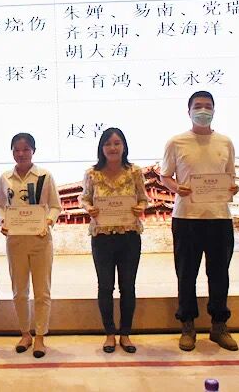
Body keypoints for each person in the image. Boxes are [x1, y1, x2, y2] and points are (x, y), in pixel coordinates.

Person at [159, 90, 239, 352]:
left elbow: (230, 177)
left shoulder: (225, 142)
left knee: (219, 274)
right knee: (186, 274)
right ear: (189, 111)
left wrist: (232, 188)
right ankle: (187, 326)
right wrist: (176, 188)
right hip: (186, 218)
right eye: (198, 106)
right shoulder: (176, 142)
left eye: (207, 106)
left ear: (214, 110)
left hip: (219, 218)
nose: (203, 110)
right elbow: (165, 176)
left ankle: (219, 326)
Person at [79, 127, 148, 354]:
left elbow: (143, 198)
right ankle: (109, 333)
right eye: (108, 144)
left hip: (129, 236)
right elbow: (84, 198)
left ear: (124, 146)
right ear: (101, 148)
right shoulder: (92, 173)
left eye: (117, 143)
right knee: (105, 286)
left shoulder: (135, 172)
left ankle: (125, 334)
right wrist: (89, 208)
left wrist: (140, 207)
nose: (112, 147)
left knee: (128, 287)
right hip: (102, 237)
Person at [0, 132, 61, 358]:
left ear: (33, 151)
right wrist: (3, 221)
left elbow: (55, 206)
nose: (21, 154)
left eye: (25, 149)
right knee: (19, 291)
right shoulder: (5, 178)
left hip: (41, 240)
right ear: (12, 152)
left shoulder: (45, 176)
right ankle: (25, 333)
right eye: (17, 150)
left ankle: (40, 336)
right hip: (15, 241)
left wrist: (47, 222)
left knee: (42, 292)